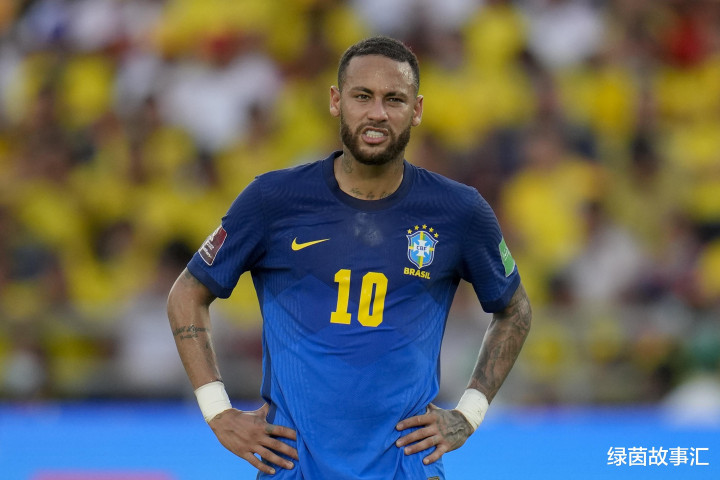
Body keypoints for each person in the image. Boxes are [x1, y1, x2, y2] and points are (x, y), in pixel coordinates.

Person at [167, 36, 532, 479]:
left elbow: (515, 309)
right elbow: (187, 294)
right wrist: (218, 411)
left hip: (405, 468)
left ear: (416, 109)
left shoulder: (459, 211)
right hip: (294, 467)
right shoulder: (272, 199)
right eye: (363, 96)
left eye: (394, 99)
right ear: (336, 101)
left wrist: (469, 412)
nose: (377, 113)